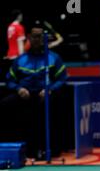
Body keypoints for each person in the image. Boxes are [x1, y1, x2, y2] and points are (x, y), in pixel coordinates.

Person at [1, 25, 67, 159]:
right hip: (25, 95)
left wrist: (50, 89)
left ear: (45, 38)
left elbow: (62, 79)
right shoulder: (21, 60)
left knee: (56, 105)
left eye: (41, 36)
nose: (38, 39)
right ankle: (10, 147)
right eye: (35, 36)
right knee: (4, 104)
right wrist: (18, 89)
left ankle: (50, 149)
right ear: (29, 38)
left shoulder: (54, 58)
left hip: (45, 95)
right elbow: (9, 80)